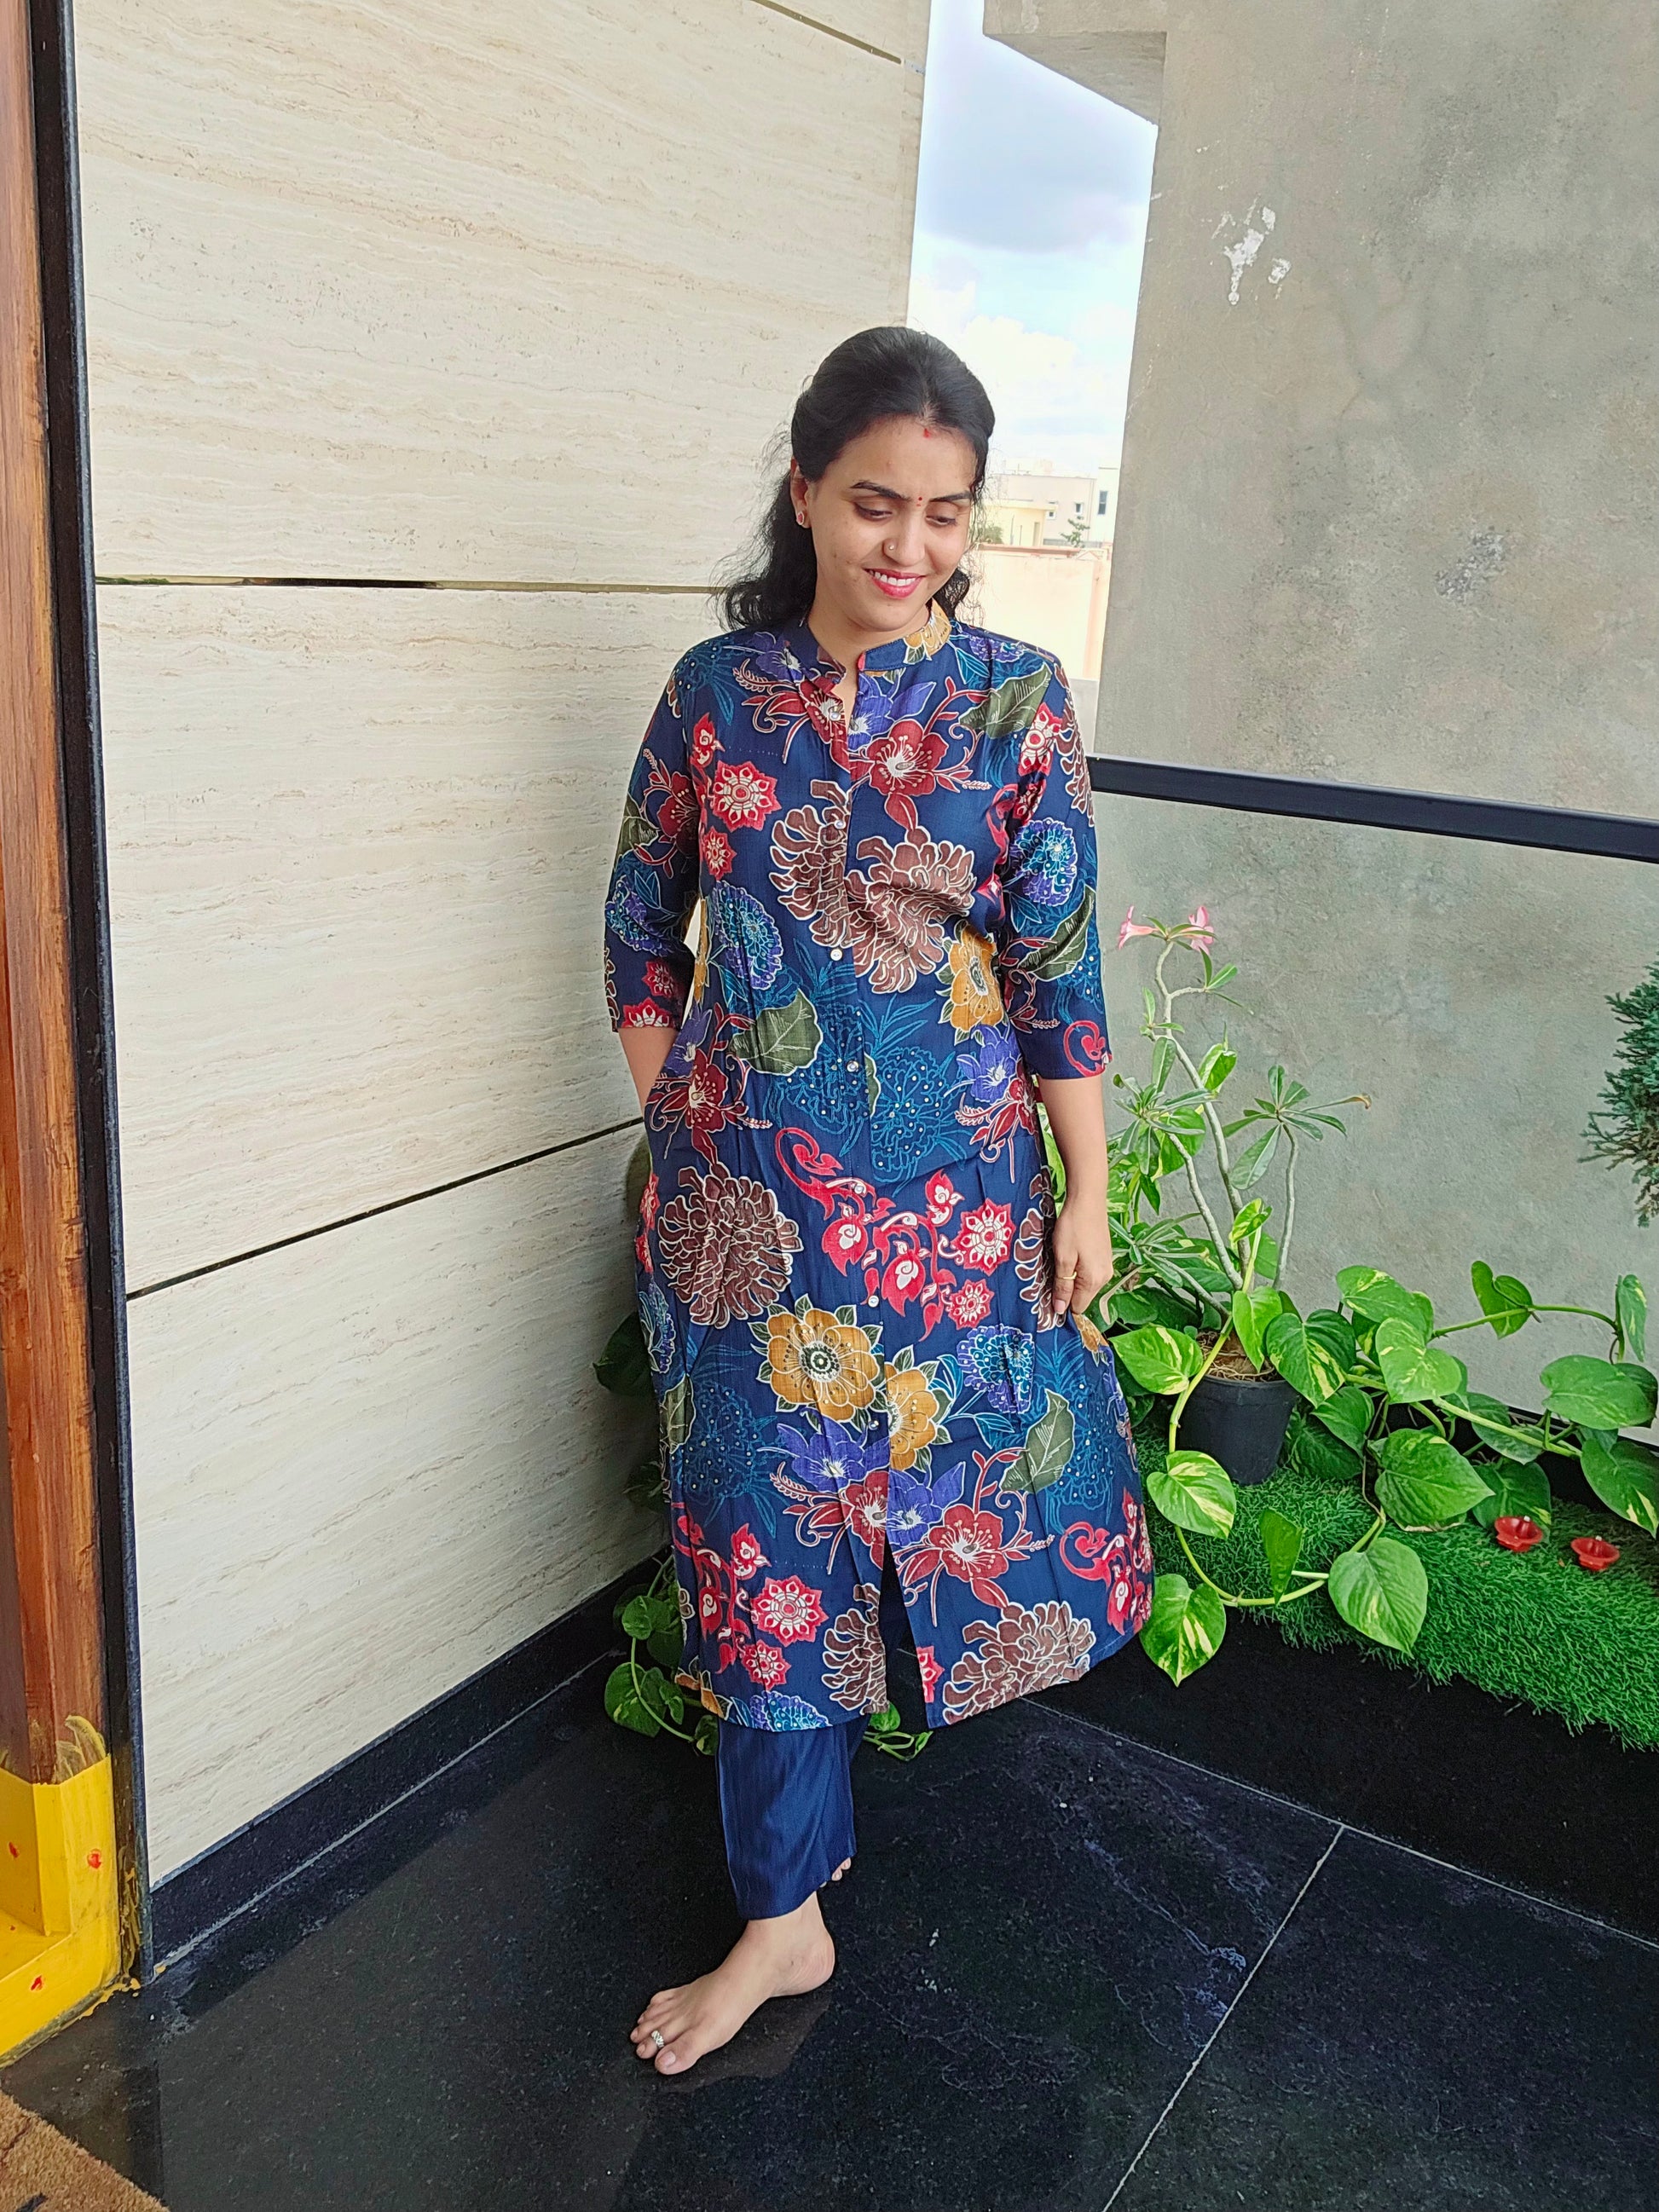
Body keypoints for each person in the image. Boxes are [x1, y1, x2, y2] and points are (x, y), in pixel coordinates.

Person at [603, 326, 1152, 2076]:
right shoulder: (713, 694)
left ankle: (819, 1830)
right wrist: (688, 1115)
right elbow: (636, 930)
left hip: (953, 1215)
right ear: (803, 492)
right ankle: (784, 1914)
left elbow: (1058, 969)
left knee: (942, 1493)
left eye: (942, 511)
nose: (906, 543)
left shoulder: (1013, 700)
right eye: (870, 503)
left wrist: (1085, 1188)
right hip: (745, 1224)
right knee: (760, 1539)